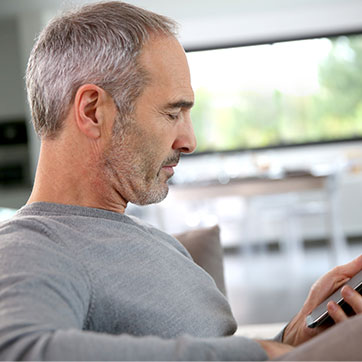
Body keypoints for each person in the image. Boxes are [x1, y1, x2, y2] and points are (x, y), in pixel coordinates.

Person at [0, 1, 361, 360]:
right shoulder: (32, 245)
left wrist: (295, 337)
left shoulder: (156, 241)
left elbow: (217, 348)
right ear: (93, 111)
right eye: (173, 113)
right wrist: (257, 354)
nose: (189, 142)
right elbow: (18, 350)